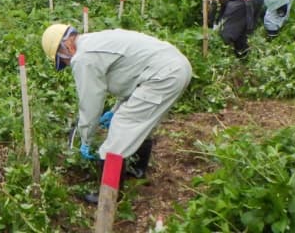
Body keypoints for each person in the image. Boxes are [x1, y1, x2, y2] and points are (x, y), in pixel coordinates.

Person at [40, 23, 192, 204]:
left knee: (121, 128)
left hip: (165, 75)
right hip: (174, 67)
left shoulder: (83, 58)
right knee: (137, 120)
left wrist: (86, 138)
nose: (67, 63)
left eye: (62, 59)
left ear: (66, 46)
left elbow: (91, 103)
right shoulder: (94, 42)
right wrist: (114, 110)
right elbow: (132, 77)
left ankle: (109, 197)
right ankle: (136, 170)